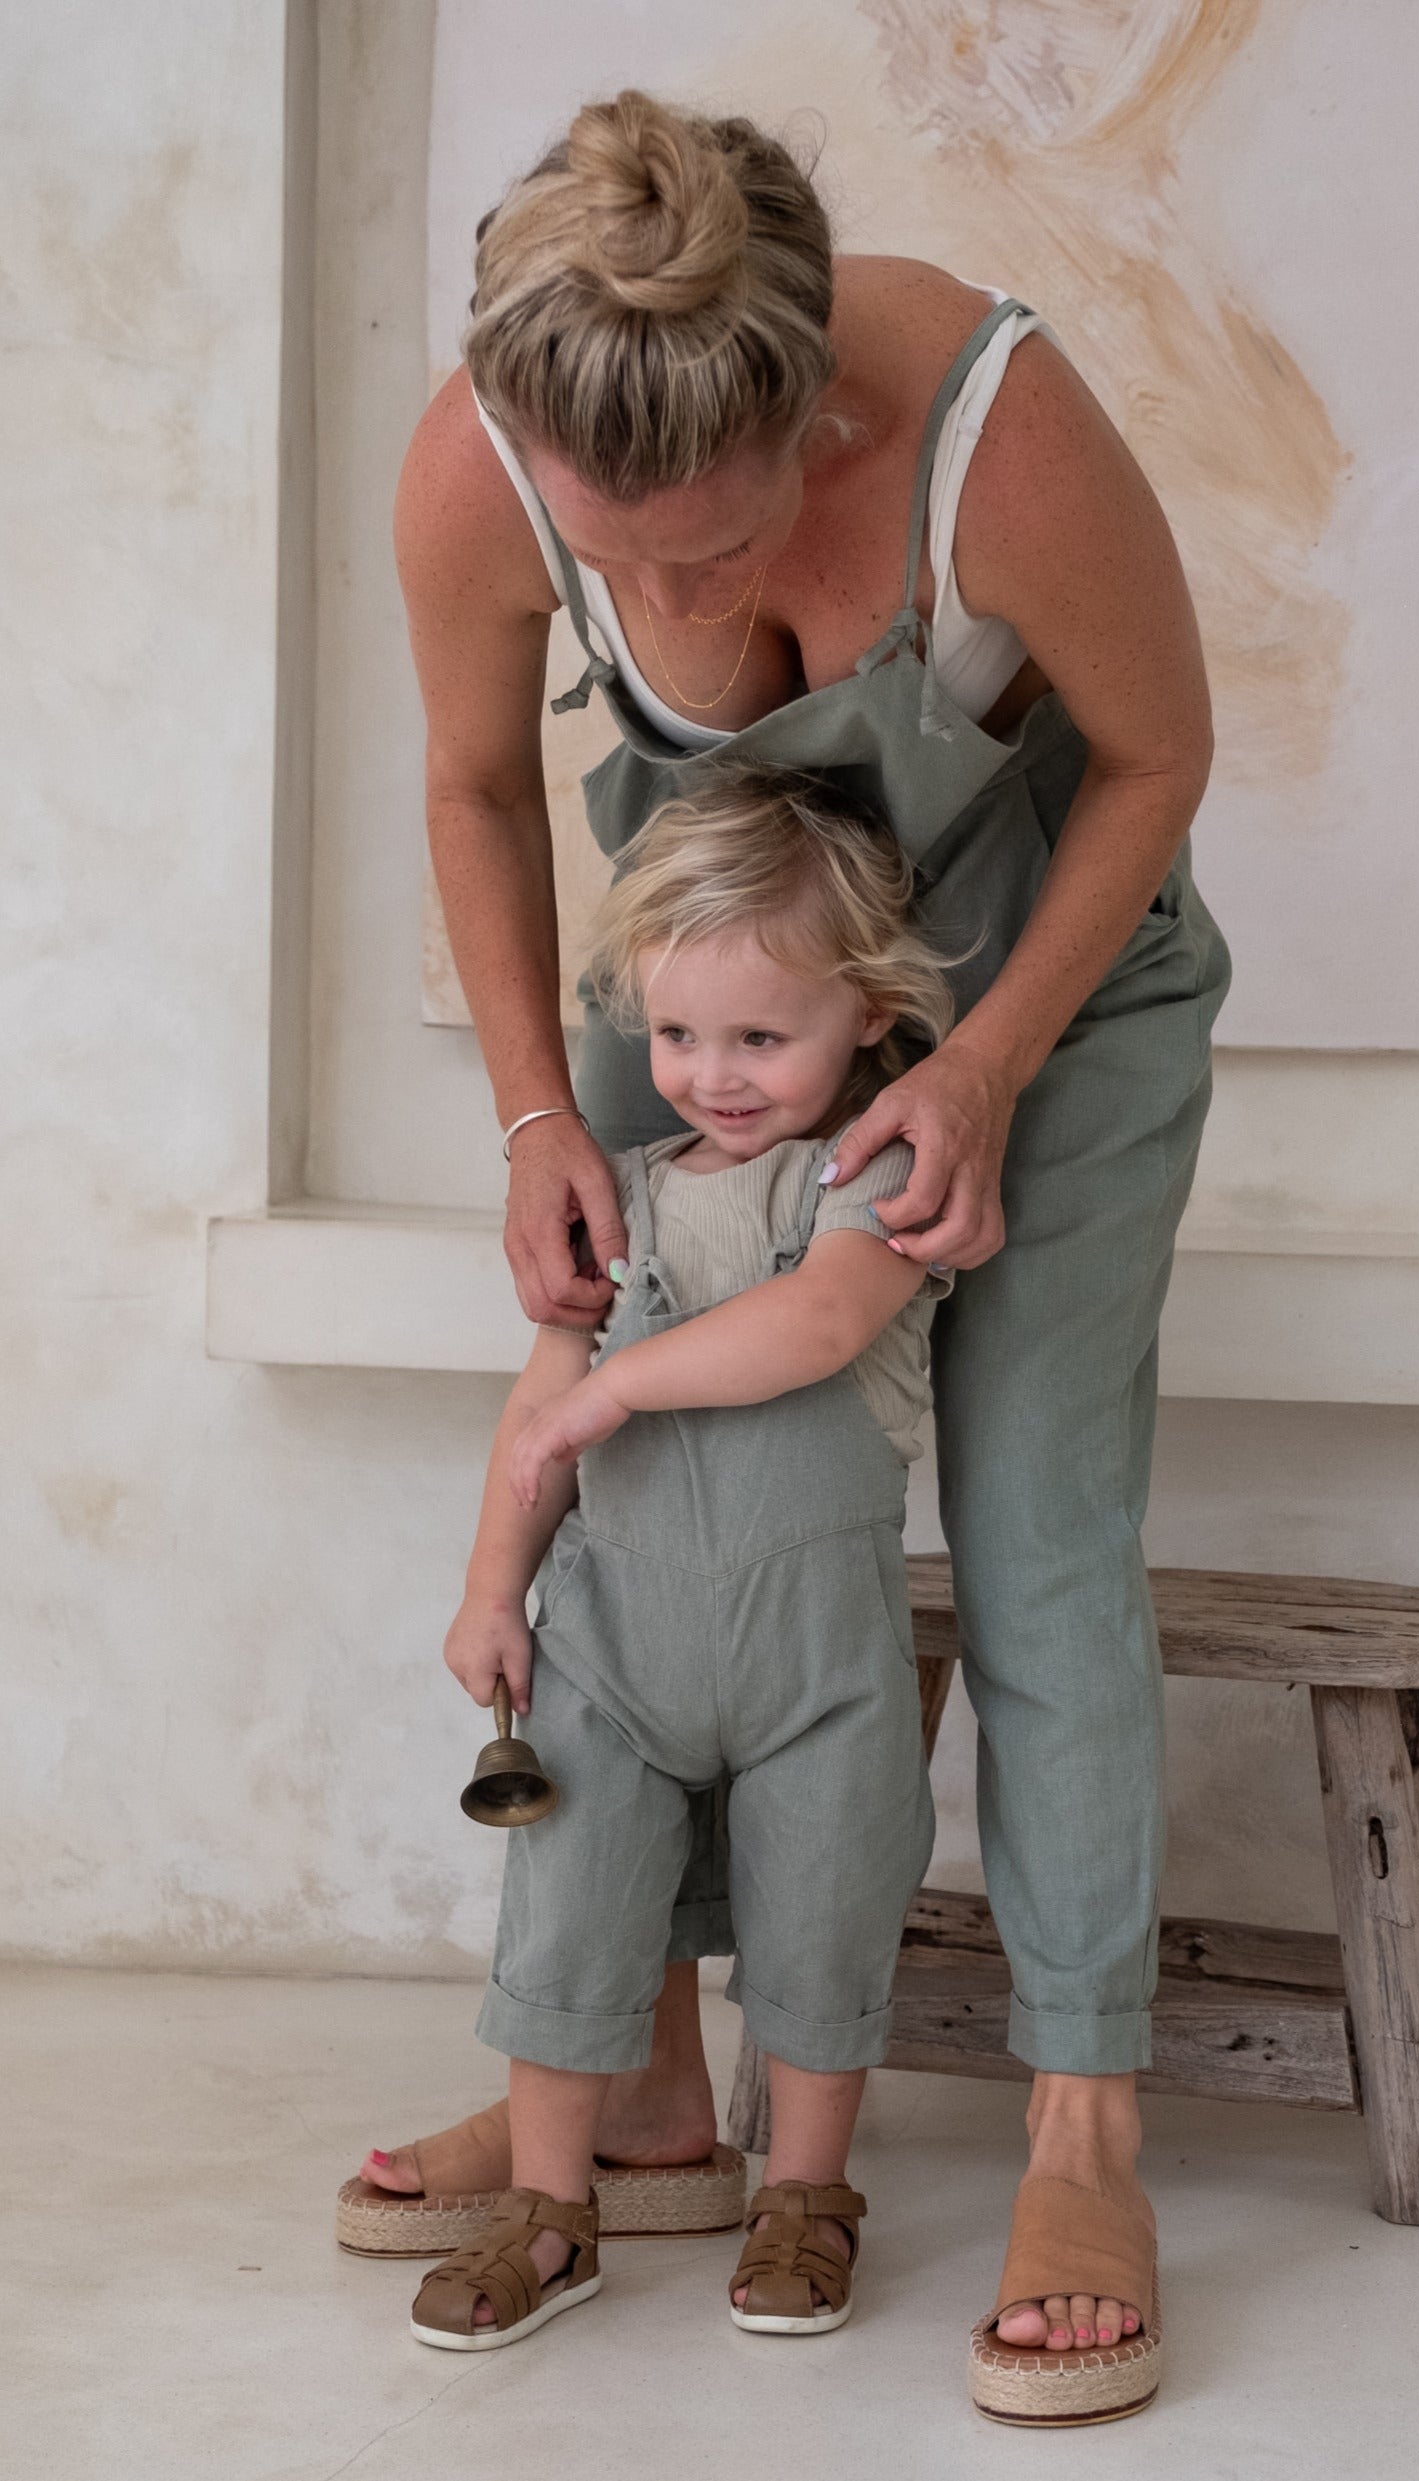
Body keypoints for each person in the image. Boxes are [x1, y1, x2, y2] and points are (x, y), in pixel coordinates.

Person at [352, 88, 1230, 2423]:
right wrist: (540, 1110)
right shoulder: (478, 463)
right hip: (725, 979)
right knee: (639, 1501)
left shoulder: (988, 428)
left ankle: (1083, 2132)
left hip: (1052, 983)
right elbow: (470, 781)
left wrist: (986, 1066)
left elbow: (1157, 757)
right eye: (612, 558)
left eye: (721, 543)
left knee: (1035, 1535)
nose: (666, 602)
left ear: (811, 406)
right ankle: (635, 2082)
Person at [407, 771, 951, 2351]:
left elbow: (816, 1324)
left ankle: (805, 2195)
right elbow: (537, 1421)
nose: (713, 1074)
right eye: (676, 1034)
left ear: (864, 1014)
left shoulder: (870, 1185)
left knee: (824, 1915)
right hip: (611, 1660)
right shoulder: (620, 1201)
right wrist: (489, 1588)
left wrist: (618, 1385)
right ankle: (551, 2206)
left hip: (815, 1669)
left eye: (760, 1036)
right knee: (567, 1912)